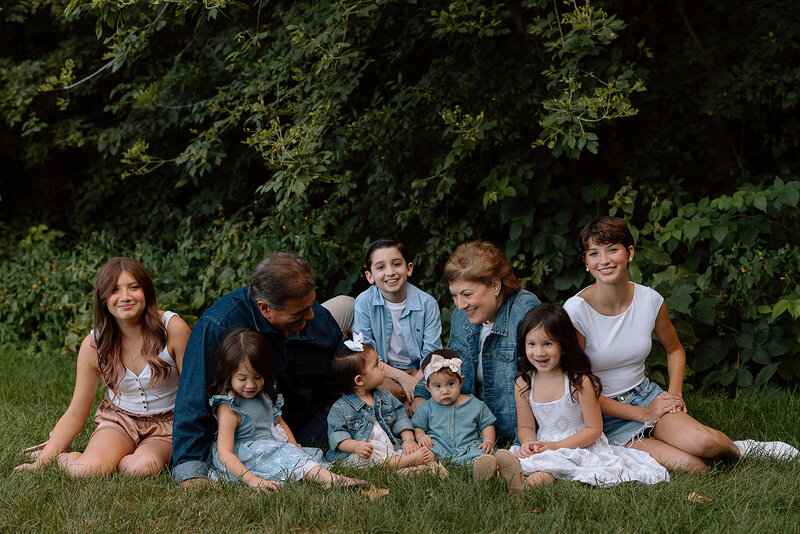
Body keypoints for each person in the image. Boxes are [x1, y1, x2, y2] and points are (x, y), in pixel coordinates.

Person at [563, 216, 741, 471]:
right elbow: (577, 385)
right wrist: (643, 415)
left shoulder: (650, 300)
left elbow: (675, 349)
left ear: (629, 252)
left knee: (707, 444)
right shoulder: (576, 311)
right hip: (602, 412)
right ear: (586, 262)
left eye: (613, 249)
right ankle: (646, 441)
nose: (604, 261)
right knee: (694, 466)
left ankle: (742, 449)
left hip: (645, 395)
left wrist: (674, 394)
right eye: (594, 253)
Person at [172, 251, 353, 486]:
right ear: (265, 308)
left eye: (312, 304)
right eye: (299, 312)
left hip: (302, 425)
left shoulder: (317, 318)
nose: (311, 314)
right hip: (248, 436)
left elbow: (338, 385)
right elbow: (191, 401)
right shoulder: (218, 327)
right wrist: (191, 472)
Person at [15, 257, 191, 477]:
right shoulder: (94, 345)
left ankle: (126, 456)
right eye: (114, 290)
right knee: (87, 470)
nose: (125, 297)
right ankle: (60, 454)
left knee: (140, 468)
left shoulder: (172, 328)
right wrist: (40, 464)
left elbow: (193, 392)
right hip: (120, 420)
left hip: (166, 425)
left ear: (146, 291)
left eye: (133, 287)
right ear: (103, 298)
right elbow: (76, 412)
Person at [508, 304, 668, 489]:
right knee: (529, 460)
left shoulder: (578, 382)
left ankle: (524, 484)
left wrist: (556, 446)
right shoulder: (524, 383)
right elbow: (526, 425)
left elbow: (594, 429)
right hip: (543, 445)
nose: (539, 352)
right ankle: (504, 472)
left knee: (544, 474)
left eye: (548, 344)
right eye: (532, 344)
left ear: (564, 346)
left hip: (579, 445)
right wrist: (528, 442)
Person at [413, 241, 541, 442]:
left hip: (516, 430)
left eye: (467, 294)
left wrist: (523, 441)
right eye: (454, 295)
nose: (460, 304)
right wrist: (421, 395)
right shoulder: (461, 315)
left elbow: (543, 380)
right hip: (471, 431)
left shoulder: (525, 313)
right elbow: (448, 362)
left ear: (495, 285)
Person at [209, 329, 363, 490]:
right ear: (228, 374)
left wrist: (294, 446)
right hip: (245, 460)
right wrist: (252, 480)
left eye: (257, 377)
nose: (250, 385)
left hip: (270, 448)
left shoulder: (264, 395)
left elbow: (279, 421)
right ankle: (331, 480)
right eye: (242, 378)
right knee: (286, 455)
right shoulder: (230, 407)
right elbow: (224, 453)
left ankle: (320, 474)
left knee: (298, 454)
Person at [326, 333, 437, 471]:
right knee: (366, 458)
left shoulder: (386, 397)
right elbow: (338, 438)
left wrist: (408, 440)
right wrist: (356, 446)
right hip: (363, 453)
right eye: (376, 364)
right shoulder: (340, 408)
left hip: (388, 448)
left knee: (420, 452)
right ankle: (404, 464)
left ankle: (403, 466)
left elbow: (401, 419)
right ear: (359, 380)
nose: (382, 366)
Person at [353, 238, 442, 411]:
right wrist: (402, 378)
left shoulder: (427, 303)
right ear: (370, 276)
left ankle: (412, 407)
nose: (390, 272)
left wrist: (416, 386)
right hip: (382, 371)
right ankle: (407, 410)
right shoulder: (364, 302)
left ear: (408, 269)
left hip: (420, 371)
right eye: (380, 267)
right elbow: (364, 352)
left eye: (396, 264)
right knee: (378, 393)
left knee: (440, 387)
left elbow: (432, 354)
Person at [412, 350, 498, 480]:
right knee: (425, 453)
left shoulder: (475, 404)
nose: (445, 391)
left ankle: (483, 467)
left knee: (481, 453)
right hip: (439, 447)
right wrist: (421, 436)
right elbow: (419, 427)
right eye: (437, 386)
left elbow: (487, 425)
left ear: (461, 382)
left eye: (450, 384)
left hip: (468, 447)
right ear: (427, 387)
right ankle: (428, 468)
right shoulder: (426, 408)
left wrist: (488, 441)